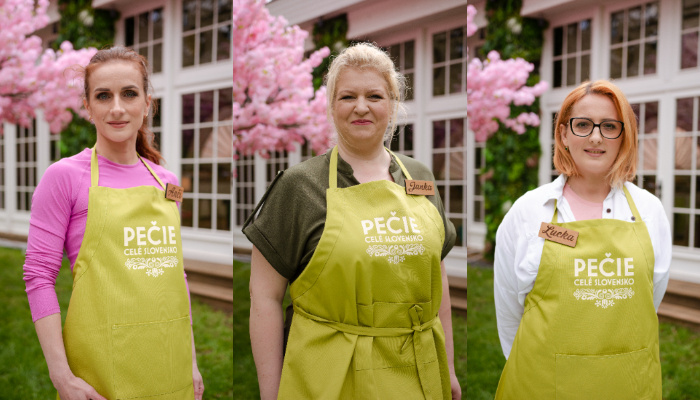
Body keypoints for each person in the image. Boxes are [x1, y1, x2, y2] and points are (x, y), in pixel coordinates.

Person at [243, 42, 462, 399]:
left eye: (375, 95)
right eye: (347, 97)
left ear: (392, 104)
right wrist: (271, 393)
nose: (361, 107)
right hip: (330, 376)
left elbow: (438, 279)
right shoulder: (299, 186)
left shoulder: (418, 175)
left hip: (417, 372)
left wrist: (448, 367)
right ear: (331, 106)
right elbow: (264, 297)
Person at [23, 46, 204, 400]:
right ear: (88, 107)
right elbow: (38, 276)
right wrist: (62, 377)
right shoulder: (63, 177)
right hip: (99, 370)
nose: (117, 108)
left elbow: (173, 273)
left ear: (147, 104)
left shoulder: (167, 180)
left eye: (129, 94)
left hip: (169, 364)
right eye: (103, 96)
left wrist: (192, 361)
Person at [493, 80, 671, 399]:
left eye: (609, 126)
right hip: (542, 384)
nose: (596, 137)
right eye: (583, 125)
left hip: (628, 383)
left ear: (624, 136)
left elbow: (650, 297)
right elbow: (508, 310)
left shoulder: (650, 210)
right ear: (563, 134)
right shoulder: (529, 212)